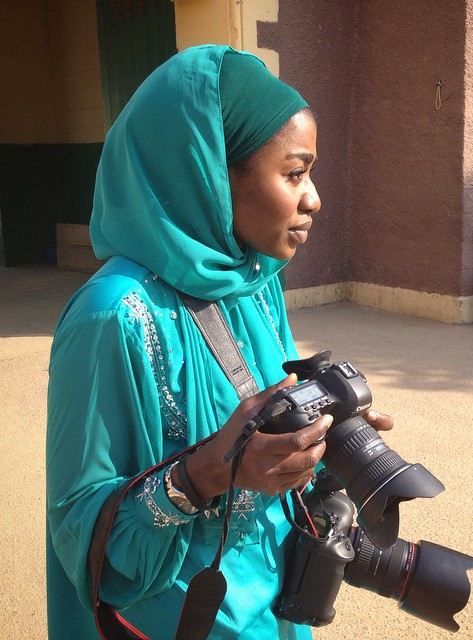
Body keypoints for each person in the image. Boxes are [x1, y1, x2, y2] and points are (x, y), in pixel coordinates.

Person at [46, 45, 393, 640]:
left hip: (273, 615)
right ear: (211, 172)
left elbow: (268, 429)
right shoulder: (111, 317)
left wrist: (323, 446)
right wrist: (204, 475)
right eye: (294, 172)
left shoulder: (253, 284)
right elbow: (82, 530)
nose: (314, 198)